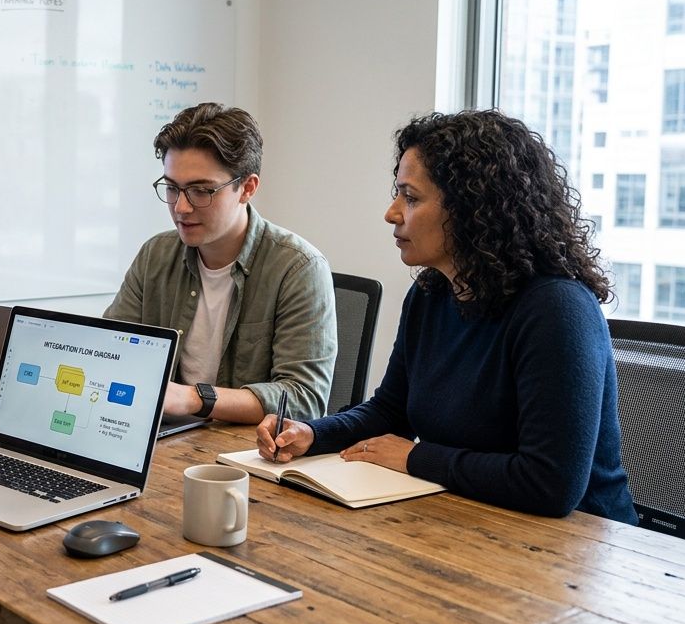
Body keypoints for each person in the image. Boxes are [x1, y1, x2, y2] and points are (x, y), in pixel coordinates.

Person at [259, 109, 637, 523]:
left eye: (411, 198)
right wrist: (312, 433)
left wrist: (415, 457)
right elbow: (391, 412)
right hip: (469, 515)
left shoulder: (557, 309)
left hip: (583, 540)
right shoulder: (431, 292)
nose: (392, 213)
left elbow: (550, 484)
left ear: (473, 207)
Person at [104, 103, 336, 424]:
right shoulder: (155, 255)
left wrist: (193, 399)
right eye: (172, 188)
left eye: (201, 191)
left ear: (247, 188)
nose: (181, 207)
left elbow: (303, 398)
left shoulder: (298, 268)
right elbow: (111, 352)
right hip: (168, 437)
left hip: (244, 446)